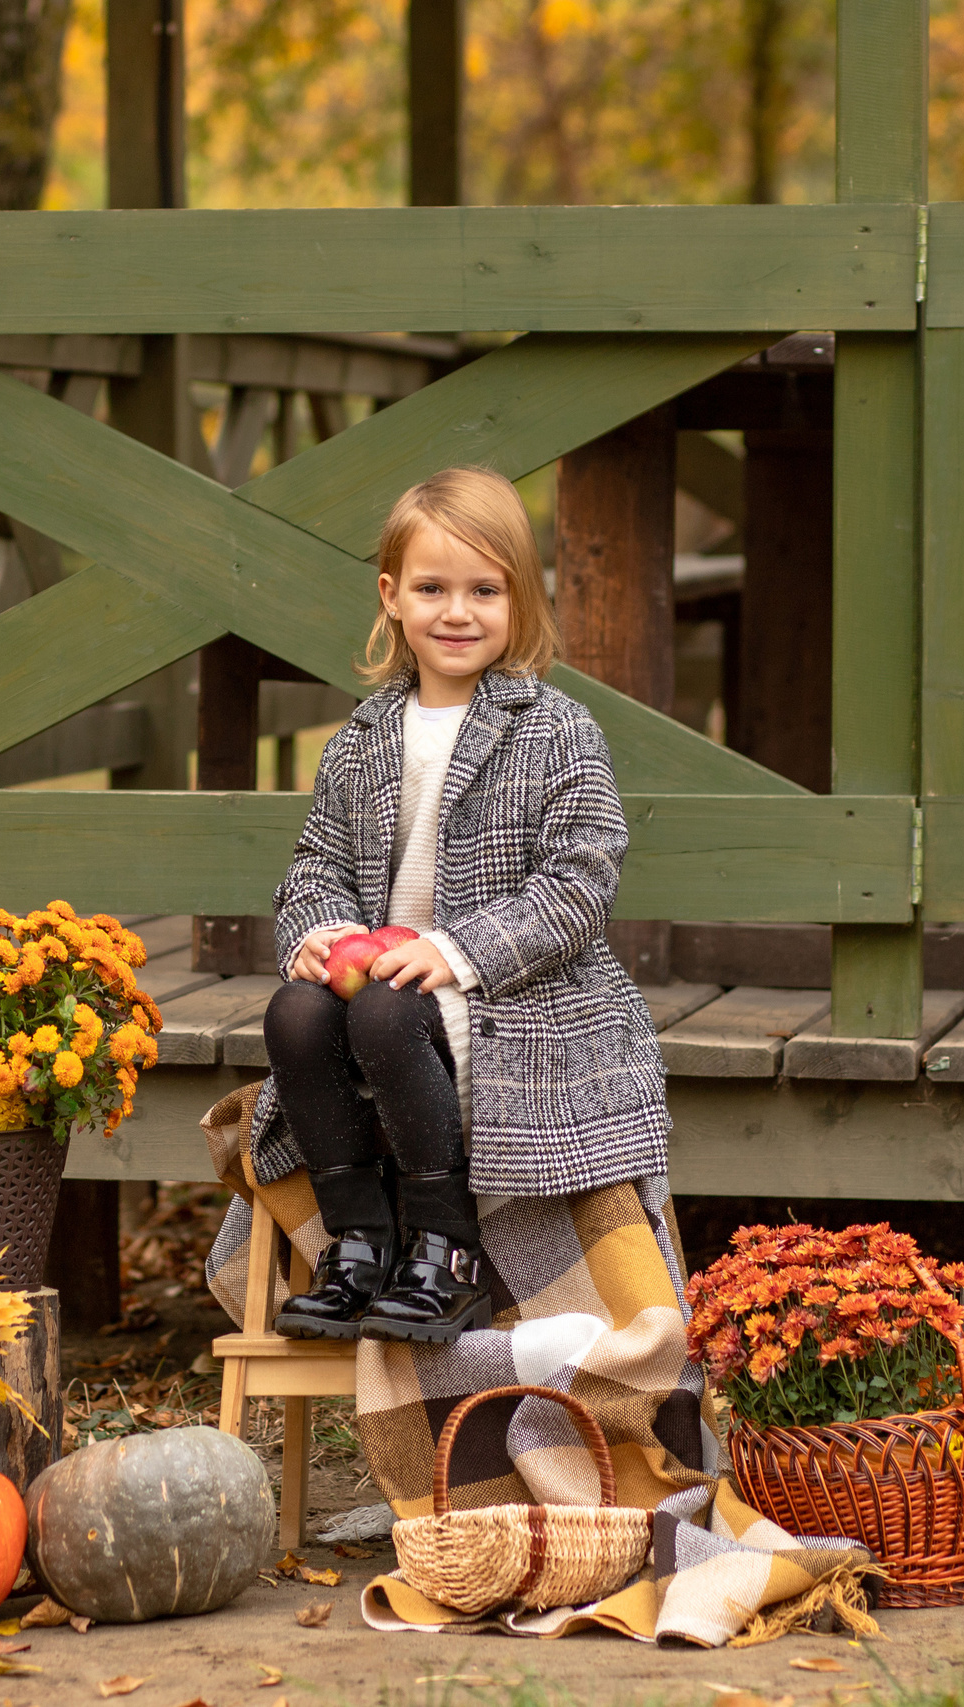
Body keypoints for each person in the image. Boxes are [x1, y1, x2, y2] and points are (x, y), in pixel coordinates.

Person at [252, 465, 671, 1343]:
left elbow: (580, 881)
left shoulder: (554, 729)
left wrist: (460, 949)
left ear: (519, 600)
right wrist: (319, 931)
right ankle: (359, 1243)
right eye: (433, 588)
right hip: (385, 975)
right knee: (294, 1013)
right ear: (392, 596)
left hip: (515, 990)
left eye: (485, 589)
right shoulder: (363, 737)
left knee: (381, 1017)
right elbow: (316, 861)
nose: (457, 611)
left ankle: (449, 1251)